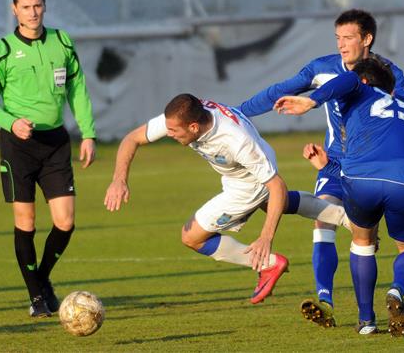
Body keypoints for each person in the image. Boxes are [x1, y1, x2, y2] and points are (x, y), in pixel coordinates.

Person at [238, 9, 404, 328]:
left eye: (348, 38)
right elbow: (280, 91)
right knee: (324, 222)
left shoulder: (387, 72)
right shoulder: (322, 68)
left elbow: (395, 112)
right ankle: (327, 301)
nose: (341, 45)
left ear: (367, 39)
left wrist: (313, 102)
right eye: (337, 38)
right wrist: (238, 113)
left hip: (363, 165)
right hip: (340, 166)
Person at [104, 93, 352, 304]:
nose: (168, 134)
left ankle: (268, 263)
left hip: (248, 183)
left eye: (173, 131)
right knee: (275, 204)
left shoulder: (234, 140)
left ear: (193, 127)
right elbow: (131, 138)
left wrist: (266, 237)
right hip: (249, 165)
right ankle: (349, 219)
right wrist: (118, 179)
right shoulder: (185, 114)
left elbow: (276, 186)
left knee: (192, 237)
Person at [274, 57, 404, 336]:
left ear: (364, 82)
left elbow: (348, 80)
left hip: (359, 179)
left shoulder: (359, 87)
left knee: (362, 241)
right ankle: (397, 289)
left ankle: (366, 322)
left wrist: (312, 101)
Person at [0, 0, 96, 318]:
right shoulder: (0, 50)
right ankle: (37, 297)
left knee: (65, 221)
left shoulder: (62, 42)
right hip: (19, 146)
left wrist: (88, 133)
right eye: (26, 7)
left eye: (38, 5)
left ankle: (40, 280)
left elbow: (78, 89)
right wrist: (10, 121)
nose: (33, 12)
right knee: (26, 223)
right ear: (14, 9)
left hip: (55, 143)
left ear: (45, 6)